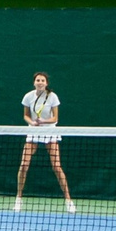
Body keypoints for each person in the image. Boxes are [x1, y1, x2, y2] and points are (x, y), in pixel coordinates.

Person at [15, 71, 74, 213]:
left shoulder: (52, 97)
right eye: (38, 80)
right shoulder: (28, 96)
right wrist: (32, 123)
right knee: (24, 165)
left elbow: (55, 119)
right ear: (34, 82)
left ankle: (69, 200)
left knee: (56, 166)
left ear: (46, 83)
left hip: (50, 131)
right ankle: (18, 198)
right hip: (34, 132)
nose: (40, 82)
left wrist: (43, 121)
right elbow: (26, 115)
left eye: (42, 80)